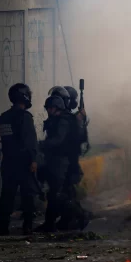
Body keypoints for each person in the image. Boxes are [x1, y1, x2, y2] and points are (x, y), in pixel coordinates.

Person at [0, 84, 39, 236]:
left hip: (8, 162)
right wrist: (33, 160)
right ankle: (27, 226)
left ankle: (3, 226)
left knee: (7, 194)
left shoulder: (3, 117)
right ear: (24, 96)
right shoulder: (25, 117)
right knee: (28, 194)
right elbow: (30, 141)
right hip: (23, 162)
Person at [36, 95, 78, 233]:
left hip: (61, 162)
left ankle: (54, 222)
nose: (48, 110)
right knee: (57, 193)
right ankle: (58, 221)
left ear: (57, 108)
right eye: (47, 108)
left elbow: (58, 139)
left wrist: (42, 145)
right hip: (56, 161)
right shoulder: (57, 120)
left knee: (56, 193)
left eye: (50, 108)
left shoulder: (63, 121)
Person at [56, 85, 90, 231]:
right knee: (65, 191)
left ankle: (81, 216)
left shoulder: (72, 119)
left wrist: (80, 122)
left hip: (69, 161)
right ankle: (66, 219)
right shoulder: (66, 118)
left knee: (66, 192)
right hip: (62, 160)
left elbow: (79, 139)